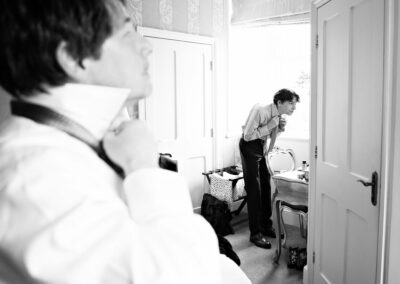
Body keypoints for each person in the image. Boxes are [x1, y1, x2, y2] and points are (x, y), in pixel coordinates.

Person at [0, 0, 251, 283]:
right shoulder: (33, 178)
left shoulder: (82, 138)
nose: (147, 47)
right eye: (127, 33)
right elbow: (180, 275)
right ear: (72, 57)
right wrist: (144, 168)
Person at [239, 89, 299, 249]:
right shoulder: (261, 111)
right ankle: (255, 234)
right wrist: (271, 126)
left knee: (266, 187)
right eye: (291, 103)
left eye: (295, 104)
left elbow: (269, 140)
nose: (294, 107)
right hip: (249, 146)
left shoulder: (278, 116)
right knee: (254, 190)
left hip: (261, 148)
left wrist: (278, 130)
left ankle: (265, 226)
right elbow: (247, 136)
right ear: (279, 102)